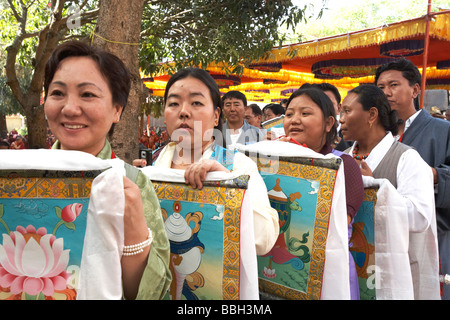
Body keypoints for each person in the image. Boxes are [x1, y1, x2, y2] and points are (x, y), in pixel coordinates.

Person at [43, 40, 171, 300]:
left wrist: (134, 231)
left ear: (116, 110)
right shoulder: (16, 179)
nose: (69, 108)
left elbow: (150, 295)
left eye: (87, 94)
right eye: (57, 93)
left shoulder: (133, 184)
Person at [153, 67, 279, 299]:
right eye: (173, 104)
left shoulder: (237, 166)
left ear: (215, 115)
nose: (183, 112)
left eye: (197, 103)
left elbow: (265, 240)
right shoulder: (153, 166)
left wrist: (228, 184)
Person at [340, 84, 440, 299]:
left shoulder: (406, 158)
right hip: (353, 268)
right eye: (340, 112)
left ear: (372, 115)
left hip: (393, 272)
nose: (341, 119)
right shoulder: (344, 158)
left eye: (347, 111)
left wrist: (376, 186)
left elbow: (420, 216)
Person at [375, 59, 450, 299]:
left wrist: (432, 174)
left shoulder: (442, 130)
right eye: (380, 87)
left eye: (394, 85)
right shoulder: (376, 134)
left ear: (415, 90)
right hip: (381, 241)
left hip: (430, 237)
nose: (386, 92)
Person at [280, 87, 364, 299]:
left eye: (305, 113)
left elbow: (335, 225)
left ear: (328, 123)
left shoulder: (342, 164)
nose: (294, 120)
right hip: (284, 271)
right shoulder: (272, 160)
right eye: (289, 114)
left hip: (328, 273)